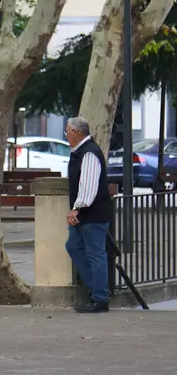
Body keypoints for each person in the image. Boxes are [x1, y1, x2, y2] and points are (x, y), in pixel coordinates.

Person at [64, 117, 113, 313]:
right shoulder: (80, 152)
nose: (66, 135)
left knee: (95, 254)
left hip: (92, 215)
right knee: (73, 246)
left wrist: (77, 208)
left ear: (76, 132)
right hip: (85, 215)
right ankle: (97, 291)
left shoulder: (89, 153)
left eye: (67, 131)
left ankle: (100, 298)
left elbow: (89, 186)